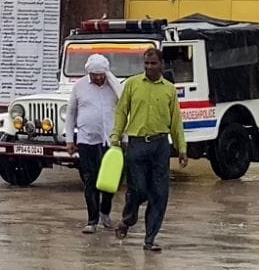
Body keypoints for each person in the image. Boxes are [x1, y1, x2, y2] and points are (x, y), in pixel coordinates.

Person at [110, 47, 187, 252]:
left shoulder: (169, 89)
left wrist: (182, 149)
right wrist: (115, 136)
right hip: (136, 145)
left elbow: (176, 121)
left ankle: (150, 239)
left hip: (160, 145)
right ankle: (128, 219)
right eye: (146, 64)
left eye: (153, 63)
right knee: (138, 190)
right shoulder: (132, 84)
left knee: (160, 194)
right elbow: (121, 112)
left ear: (162, 64)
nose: (149, 67)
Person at [65, 53, 123, 234]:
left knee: (111, 181)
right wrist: (69, 140)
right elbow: (71, 114)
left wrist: (125, 139)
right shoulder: (79, 87)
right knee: (90, 180)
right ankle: (92, 220)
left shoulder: (114, 87)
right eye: (94, 75)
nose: (98, 78)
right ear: (89, 73)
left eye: (101, 74)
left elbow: (124, 110)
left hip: (110, 141)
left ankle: (105, 210)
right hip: (87, 140)